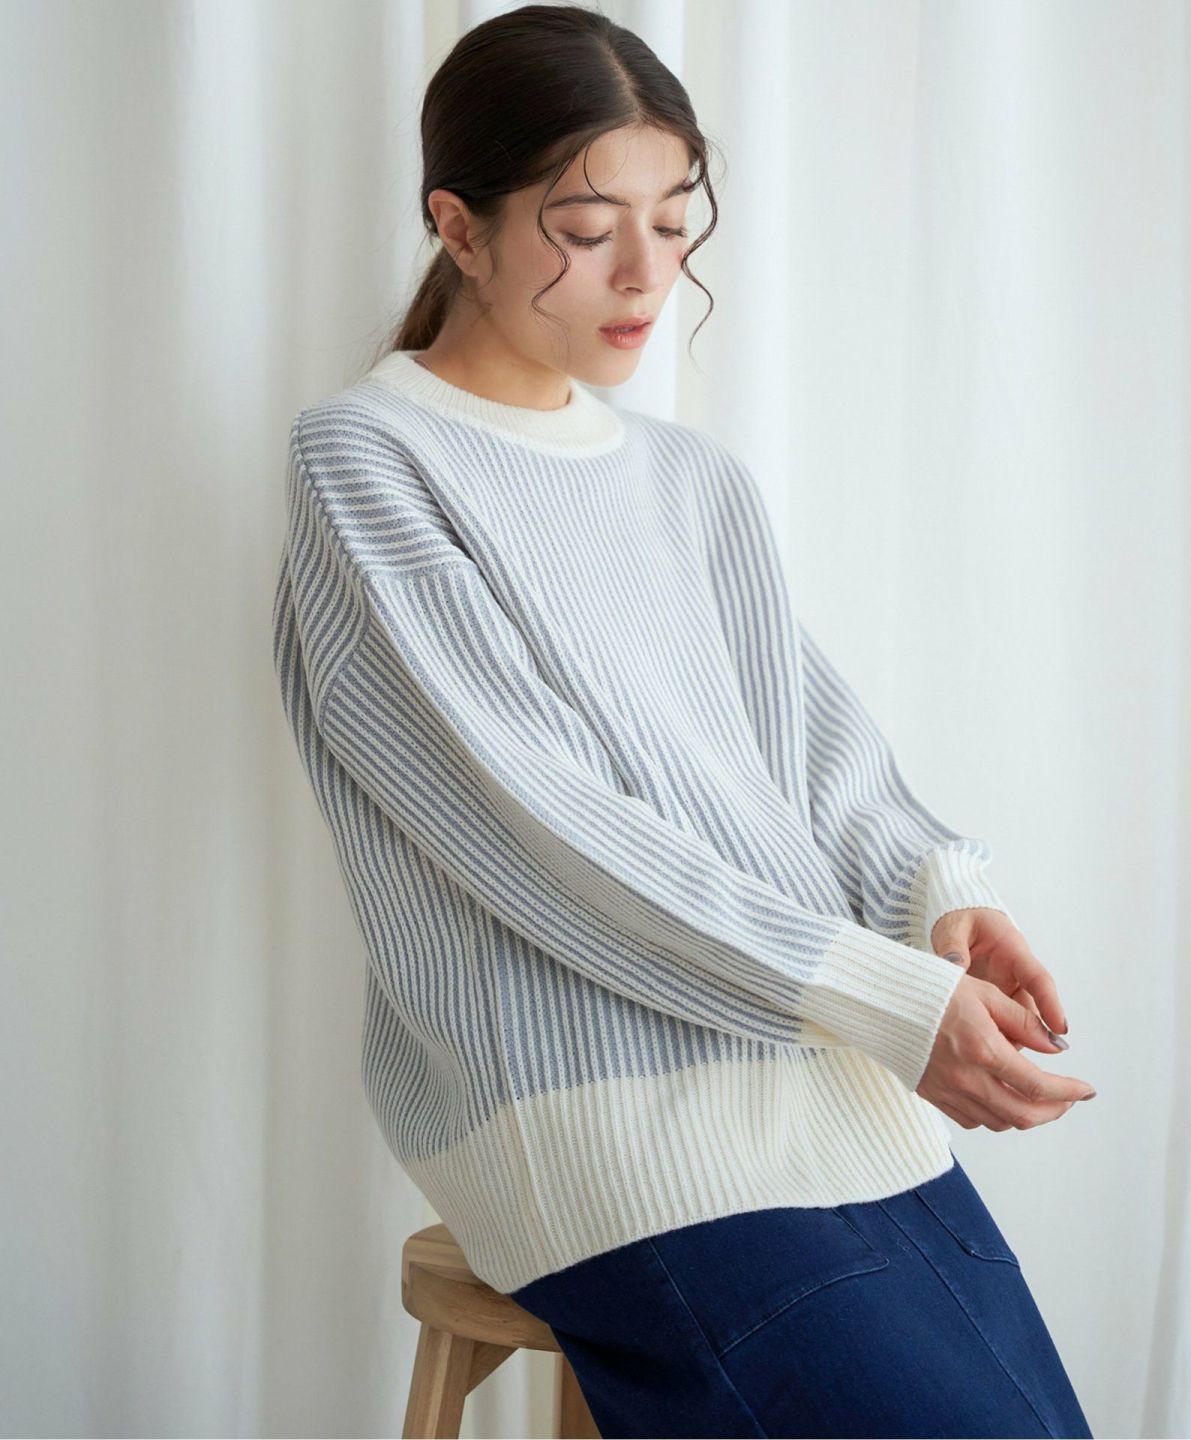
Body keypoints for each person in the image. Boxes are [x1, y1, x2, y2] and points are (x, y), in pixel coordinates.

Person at [271, 5, 1095, 1435]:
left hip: (831, 1093)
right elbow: (538, 828)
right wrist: (887, 999)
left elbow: (816, 755)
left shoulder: (688, 481)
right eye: (588, 229)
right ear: (457, 229)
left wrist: (938, 898)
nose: (646, 274)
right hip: (596, 1115)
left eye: (673, 221)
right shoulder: (370, 458)